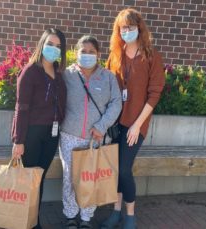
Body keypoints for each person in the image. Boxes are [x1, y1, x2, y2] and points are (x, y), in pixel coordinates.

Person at [101, 8, 165, 229]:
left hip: (136, 124)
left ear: (140, 28)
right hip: (115, 124)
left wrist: (137, 125)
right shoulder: (115, 56)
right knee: (116, 169)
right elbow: (105, 85)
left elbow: (155, 93)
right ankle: (116, 212)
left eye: (130, 27)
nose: (126, 31)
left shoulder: (151, 57)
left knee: (124, 169)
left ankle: (130, 214)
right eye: (123, 28)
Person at [59, 35, 122, 229]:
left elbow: (116, 103)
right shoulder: (66, 75)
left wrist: (101, 126)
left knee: (91, 178)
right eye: (83, 51)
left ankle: (86, 218)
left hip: (96, 137)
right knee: (70, 177)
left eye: (92, 52)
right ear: (76, 52)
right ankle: (71, 216)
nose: (87, 55)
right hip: (70, 136)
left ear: (98, 54)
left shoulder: (108, 77)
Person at [11, 28, 67, 229]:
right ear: (42, 44)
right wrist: (18, 140)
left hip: (51, 134)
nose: (54, 48)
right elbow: (21, 107)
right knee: (28, 179)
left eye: (58, 46)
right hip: (32, 133)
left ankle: (33, 220)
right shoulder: (30, 71)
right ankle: (24, 222)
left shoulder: (59, 74)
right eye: (50, 44)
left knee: (39, 178)